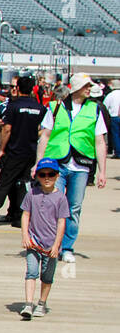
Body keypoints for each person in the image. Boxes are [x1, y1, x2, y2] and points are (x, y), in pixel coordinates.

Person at [36, 71, 108, 264]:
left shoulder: (95, 109)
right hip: (56, 163)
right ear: (76, 88)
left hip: (81, 166)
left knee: (74, 208)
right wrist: (38, 163)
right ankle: (51, 245)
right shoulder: (55, 107)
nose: (89, 90)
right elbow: (45, 136)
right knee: (52, 205)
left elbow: (100, 142)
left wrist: (102, 171)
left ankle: (66, 247)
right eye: (86, 87)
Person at [0, 76, 46, 227]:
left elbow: (7, 129)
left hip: (14, 151)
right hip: (30, 152)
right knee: (23, 184)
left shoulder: (13, 106)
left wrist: (2, 149)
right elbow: (43, 130)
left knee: (4, 184)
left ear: (18, 88)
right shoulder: (40, 108)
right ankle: (18, 215)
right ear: (33, 89)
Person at [18, 159, 70, 319]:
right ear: (37, 176)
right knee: (31, 272)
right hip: (34, 243)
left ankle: (41, 303)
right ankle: (28, 304)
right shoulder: (32, 194)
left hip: (51, 245)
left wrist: (57, 245)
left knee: (47, 277)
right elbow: (25, 214)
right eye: (43, 175)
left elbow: (62, 222)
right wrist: (25, 235)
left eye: (51, 174)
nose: (47, 178)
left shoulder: (61, 198)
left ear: (57, 176)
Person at [103, 78, 120, 159]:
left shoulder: (111, 95)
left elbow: (105, 106)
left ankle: (118, 152)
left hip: (114, 117)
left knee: (116, 135)